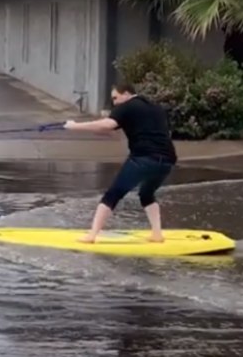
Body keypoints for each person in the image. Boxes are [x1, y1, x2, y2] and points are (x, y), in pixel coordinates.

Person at [62, 82, 177, 244]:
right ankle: (157, 234)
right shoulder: (155, 108)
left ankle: (92, 235)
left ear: (126, 94)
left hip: (143, 159)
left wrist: (75, 126)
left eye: (115, 98)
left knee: (112, 195)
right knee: (146, 194)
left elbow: (107, 125)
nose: (114, 103)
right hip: (167, 161)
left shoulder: (128, 106)